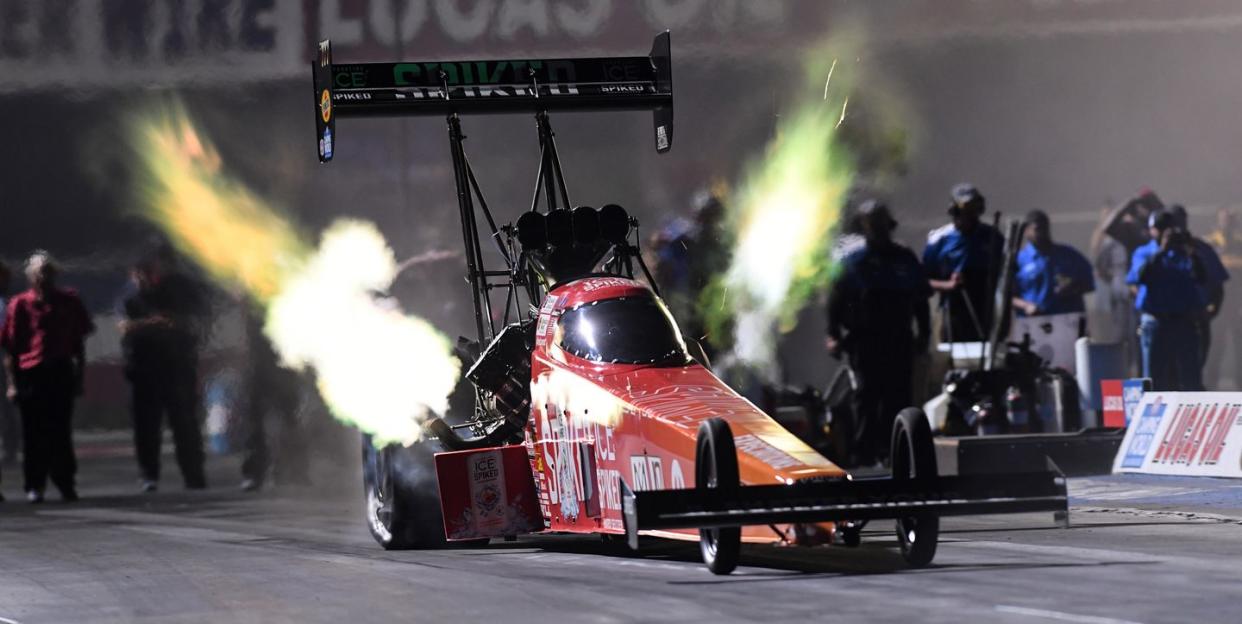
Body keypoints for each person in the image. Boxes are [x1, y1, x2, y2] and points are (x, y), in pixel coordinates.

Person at [827, 200, 930, 467]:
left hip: (898, 338)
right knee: (866, 396)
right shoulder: (852, 262)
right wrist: (833, 334)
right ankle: (863, 455)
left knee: (898, 396)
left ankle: (896, 453)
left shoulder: (904, 259)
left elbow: (920, 299)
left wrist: (924, 334)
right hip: (864, 341)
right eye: (872, 225)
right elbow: (836, 301)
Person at [1, 252, 94, 503]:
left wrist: (79, 377)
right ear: (30, 276)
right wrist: (12, 383)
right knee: (33, 432)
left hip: (60, 370)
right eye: (40, 272)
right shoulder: (20, 304)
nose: (45, 277)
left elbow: (79, 344)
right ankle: (35, 484)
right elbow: (10, 347)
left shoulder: (70, 301)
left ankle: (65, 481)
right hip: (30, 373)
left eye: (49, 272)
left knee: (61, 431)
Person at [119, 246, 211, 491]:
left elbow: (196, 321)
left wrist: (169, 325)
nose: (147, 276)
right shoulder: (131, 296)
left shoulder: (181, 289)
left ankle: (194, 475)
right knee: (146, 426)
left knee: (185, 424)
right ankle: (149, 474)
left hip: (177, 366)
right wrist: (156, 323)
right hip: (142, 369)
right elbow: (125, 327)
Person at [1126, 210, 1206, 391]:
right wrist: (1161, 251)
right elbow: (1139, 276)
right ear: (1152, 231)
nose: (1163, 233)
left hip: (1183, 321)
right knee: (1155, 376)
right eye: (1159, 228)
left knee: (1190, 376)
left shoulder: (1184, 253)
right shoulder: (1144, 252)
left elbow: (1201, 277)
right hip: (1156, 320)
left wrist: (1191, 251)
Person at [923, 183, 1005, 343]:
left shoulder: (993, 237)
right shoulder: (939, 239)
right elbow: (922, 281)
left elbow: (1006, 277)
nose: (968, 216)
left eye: (973, 210)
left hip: (986, 312)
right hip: (952, 313)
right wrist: (948, 285)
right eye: (964, 210)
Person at [239, 306, 308, 491]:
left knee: (289, 418)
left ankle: (294, 470)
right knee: (256, 421)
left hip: (284, 363)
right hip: (262, 364)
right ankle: (256, 472)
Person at [1168, 204, 1229, 382]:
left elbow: (1218, 282)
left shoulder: (1201, 249)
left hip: (1195, 317)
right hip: (1166, 321)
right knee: (1167, 375)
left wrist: (1212, 310)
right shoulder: (1154, 251)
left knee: (1193, 371)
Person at [1012, 210, 1095, 317]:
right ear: (1026, 231)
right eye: (1037, 229)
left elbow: (1090, 284)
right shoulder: (1019, 260)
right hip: (1032, 323)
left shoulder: (1069, 255)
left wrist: (1072, 288)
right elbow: (1007, 295)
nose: (1042, 233)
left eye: (1044, 228)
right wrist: (1026, 306)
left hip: (1066, 320)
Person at [1206, 207, 1242, 388]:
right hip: (1218, 304)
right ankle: (1210, 383)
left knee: (1239, 345)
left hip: (1237, 304)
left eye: (1230, 219)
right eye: (1223, 219)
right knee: (1215, 345)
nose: (1226, 222)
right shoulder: (1211, 242)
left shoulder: (1240, 242)